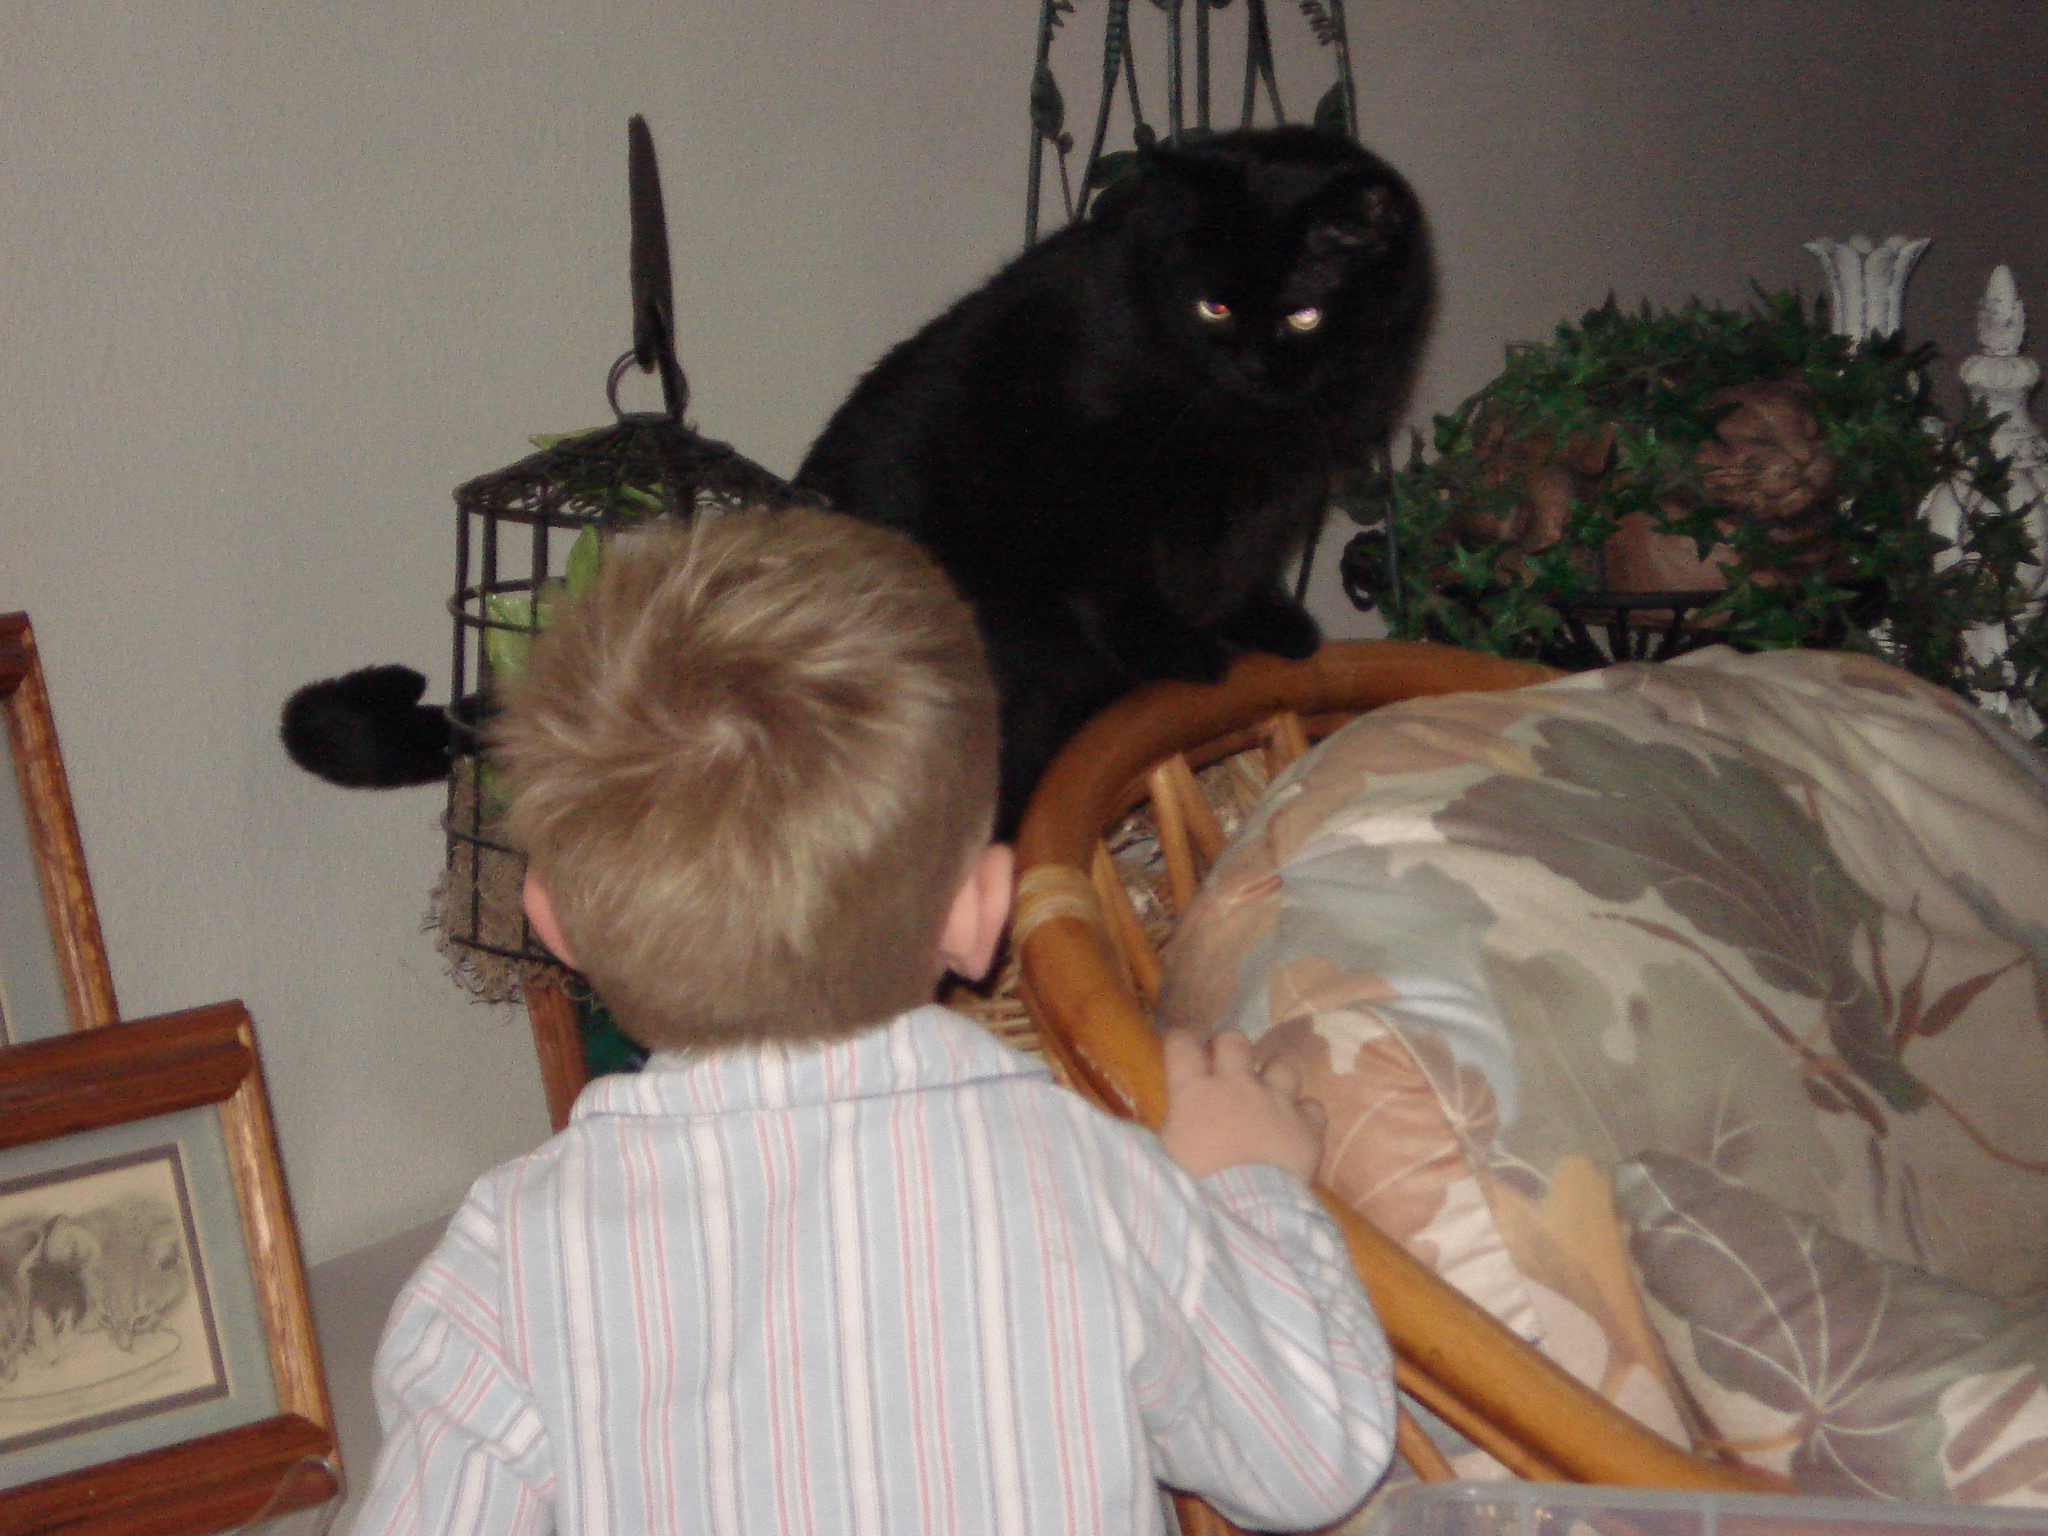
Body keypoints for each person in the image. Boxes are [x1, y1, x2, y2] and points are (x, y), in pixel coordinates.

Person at [350, 504, 1395, 1536]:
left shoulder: (509, 1261)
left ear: (551, 922)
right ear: (982, 914)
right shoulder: (1091, 1181)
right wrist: (1244, 1185)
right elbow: (1310, 1464)